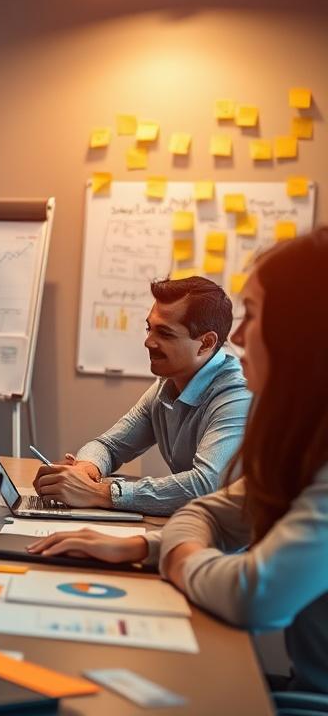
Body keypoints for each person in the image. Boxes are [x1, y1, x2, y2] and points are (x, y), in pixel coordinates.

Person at [28, 229, 328, 693]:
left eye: (255, 315)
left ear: (303, 333)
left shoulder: (241, 395)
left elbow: (251, 591)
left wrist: (160, 542)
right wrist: (143, 540)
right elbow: (208, 510)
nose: (241, 336)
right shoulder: (303, 435)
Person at [34, 276, 250, 515]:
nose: (148, 342)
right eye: (149, 328)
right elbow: (109, 446)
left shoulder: (237, 395)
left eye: (165, 334)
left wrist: (101, 494)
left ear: (206, 343)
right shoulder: (166, 385)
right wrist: (86, 470)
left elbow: (204, 485)